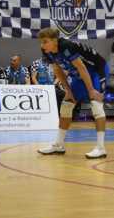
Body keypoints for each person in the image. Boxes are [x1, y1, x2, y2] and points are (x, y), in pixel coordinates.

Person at [37, 28, 108, 159]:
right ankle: (58, 145)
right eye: (41, 42)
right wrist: (68, 91)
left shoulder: (66, 46)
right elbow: (57, 70)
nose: (42, 45)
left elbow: (82, 67)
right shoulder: (47, 51)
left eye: (45, 42)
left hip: (96, 70)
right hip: (78, 74)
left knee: (96, 104)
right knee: (67, 104)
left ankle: (101, 148)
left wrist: (91, 90)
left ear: (55, 41)